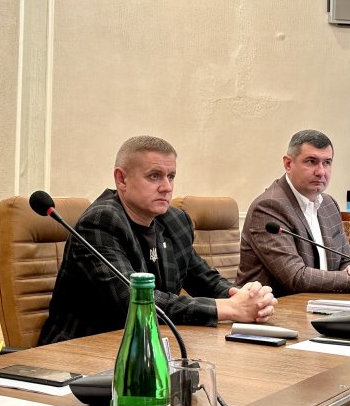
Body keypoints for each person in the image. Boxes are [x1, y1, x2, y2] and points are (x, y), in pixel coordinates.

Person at [38, 135, 277, 345]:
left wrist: (243, 297)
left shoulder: (174, 220)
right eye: (154, 176)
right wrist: (227, 309)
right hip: (81, 351)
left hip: (148, 345)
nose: (166, 187)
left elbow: (204, 278)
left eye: (171, 176)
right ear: (121, 179)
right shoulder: (101, 222)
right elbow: (134, 300)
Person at [235, 129, 350, 297]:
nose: (321, 171)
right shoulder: (268, 207)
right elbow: (296, 277)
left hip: (321, 303)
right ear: (288, 164)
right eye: (311, 161)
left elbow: (348, 258)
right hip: (275, 308)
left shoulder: (328, 204)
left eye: (327, 162)